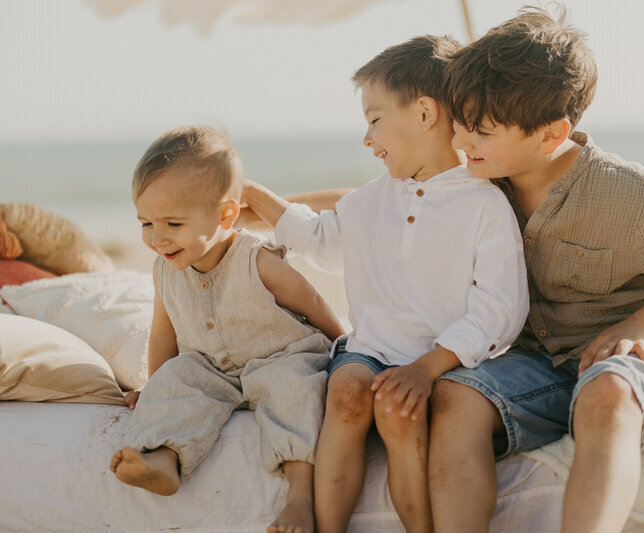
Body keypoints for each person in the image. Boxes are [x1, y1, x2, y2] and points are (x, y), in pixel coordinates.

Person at [424, 6, 644, 533]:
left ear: (552, 134)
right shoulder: (480, 183)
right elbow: (386, 206)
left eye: (481, 131)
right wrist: (278, 211)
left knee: (607, 393)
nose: (460, 143)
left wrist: (639, 327)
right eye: (460, 124)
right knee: (455, 395)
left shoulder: (627, 192)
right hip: (541, 358)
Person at [240, 35, 528, 533]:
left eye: (374, 121)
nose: (367, 139)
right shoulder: (371, 199)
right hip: (372, 348)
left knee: (398, 409)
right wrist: (254, 197)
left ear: (423, 113)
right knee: (348, 390)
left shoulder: (484, 205)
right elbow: (319, 239)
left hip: (442, 358)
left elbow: (500, 308)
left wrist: (428, 367)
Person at [109, 125, 345, 533]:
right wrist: (155, 385)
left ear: (225, 215)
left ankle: (300, 497)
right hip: (211, 367)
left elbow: (313, 304)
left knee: (294, 391)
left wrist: (345, 349)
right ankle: (163, 461)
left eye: (173, 224)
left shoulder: (256, 260)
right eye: (145, 223)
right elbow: (163, 335)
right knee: (178, 380)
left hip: (280, 355)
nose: (157, 238)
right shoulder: (164, 270)